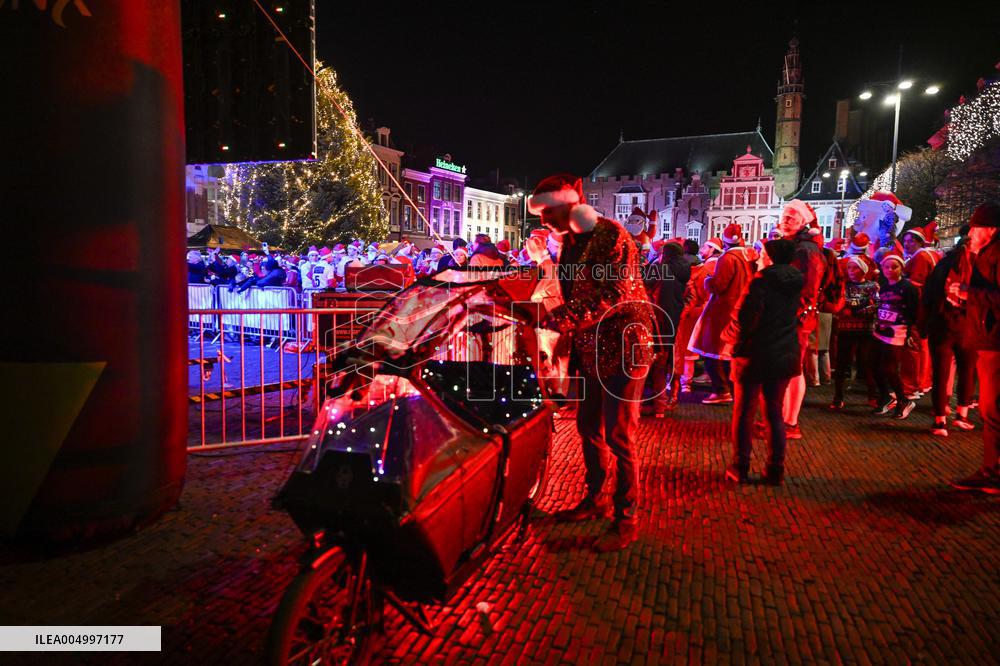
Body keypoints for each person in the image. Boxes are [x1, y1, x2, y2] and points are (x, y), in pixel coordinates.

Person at [530, 173, 655, 551]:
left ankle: (627, 517)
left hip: (624, 345)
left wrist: (561, 319)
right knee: (588, 426)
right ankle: (596, 499)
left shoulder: (612, 236)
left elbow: (612, 292)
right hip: (590, 347)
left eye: (547, 211)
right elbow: (568, 291)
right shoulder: (570, 242)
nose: (543, 220)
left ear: (570, 204)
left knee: (620, 434)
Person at [724, 239, 803, 484]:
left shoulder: (761, 281)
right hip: (784, 351)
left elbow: (745, 317)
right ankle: (775, 468)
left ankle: (740, 465)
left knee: (744, 411)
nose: (758, 256)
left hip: (755, 353)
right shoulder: (796, 280)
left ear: (769, 257)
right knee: (774, 412)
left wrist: (729, 338)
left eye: (762, 254)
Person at [952, 202, 1000, 494]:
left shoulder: (996, 254)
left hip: (995, 341)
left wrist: (970, 293)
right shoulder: (985, 253)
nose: (970, 233)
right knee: (990, 409)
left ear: (991, 229)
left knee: (992, 409)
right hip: (988, 338)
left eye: (975, 227)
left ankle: (992, 472)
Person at [689, 224, 755, 405]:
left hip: (724, 310)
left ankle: (721, 390)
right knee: (730, 353)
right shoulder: (750, 256)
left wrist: (708, 281)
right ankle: (732, 391)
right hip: (743, 309)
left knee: (713, 351)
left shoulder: (728, 258)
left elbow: (719, 285)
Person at [778, 200, 827, 440]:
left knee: (793, 369)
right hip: (787, 316)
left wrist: (793, 313)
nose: (785, 220)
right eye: (785, 215)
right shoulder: (792, 245)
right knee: (784, 369)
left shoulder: (806, 250)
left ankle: (790, 422)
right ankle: (782, 419)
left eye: (791, 217)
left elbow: (808, 287)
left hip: (795, 318)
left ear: (803, 222)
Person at [921, 228, 977, 437]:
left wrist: (924, 324)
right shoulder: (978, 267)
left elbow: (928, 296)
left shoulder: (942, 266)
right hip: (968, 327)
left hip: (942, 325)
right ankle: (962, 415)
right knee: (967, 371)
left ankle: (939, 421)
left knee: (941, 374)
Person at [871, 252, 920, 419]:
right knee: (875, 365)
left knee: (890, 368)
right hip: (881, 329)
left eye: (894, 267)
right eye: (886, 267)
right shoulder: (884, 287)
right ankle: (885, 397)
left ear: (901, 268)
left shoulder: (907, 288)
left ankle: (903, 400)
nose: (889, 270)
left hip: (898, 331)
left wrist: (910, 332)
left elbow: (914, 311)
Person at [644, 240, 690, 416]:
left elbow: (645, 284)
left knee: (649, 363)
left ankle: (649, 404)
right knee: (663, 363)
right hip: (673, 319)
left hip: (656, 318)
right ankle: (660, 406)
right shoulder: (684, 270)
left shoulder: (661, 268)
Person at [830, 255, 878, 409]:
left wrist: (855, 308)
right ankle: (838, 397)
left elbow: (876, 304)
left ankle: (872, 396)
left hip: (865, 330)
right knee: (842, 364)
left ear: (863, 270)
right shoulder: (844, 286)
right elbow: (840, 304)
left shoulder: (872, 286)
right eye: (849, 267)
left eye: (855, 267)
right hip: (846, 329)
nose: (851, 270)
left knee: (867, 363)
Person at [901, 222, 942, 399]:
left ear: (918, 241)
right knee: (925, 347)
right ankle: (925, 382)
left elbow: (915, 286)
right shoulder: (934, 255)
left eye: (909, 241)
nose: (906, 244)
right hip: (932, 309)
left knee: (914, 346)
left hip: (919, 310)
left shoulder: (920, 258)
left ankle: (911, 385)